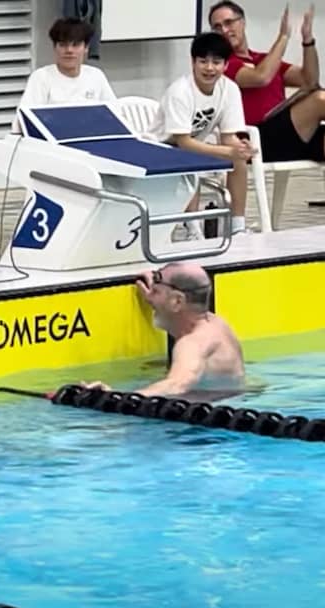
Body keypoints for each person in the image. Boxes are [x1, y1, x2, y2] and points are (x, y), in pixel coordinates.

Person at [81, 263, 245, 398]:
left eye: (156, 292)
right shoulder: (217, 324)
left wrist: (117, 398)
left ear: (177, 301)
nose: (150, 296)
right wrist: (158, 294)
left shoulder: (192, 344)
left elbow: (177, 384)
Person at [151, 32, 255, 241]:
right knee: (190, 162)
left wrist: (241, 148)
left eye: (216, 62)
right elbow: (183, 142)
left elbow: (228, 137)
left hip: (193, 146)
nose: (209, 68)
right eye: (203, 61)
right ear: (193, 62)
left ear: (226, 65)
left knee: (238, 161)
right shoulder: (180, 91)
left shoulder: (230, 89)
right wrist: (227, 150)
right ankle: (192, 229)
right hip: (160, 149)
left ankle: (237, 226)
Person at [210, 2, 323, 164]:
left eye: (228, 23)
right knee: (320, 99)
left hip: (290, 134)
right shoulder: (224, 64)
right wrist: (283, 36)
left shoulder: (263, 59)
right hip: (258, 139)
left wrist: (308, 40)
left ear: (242, 22)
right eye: (217, 27)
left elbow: (309, 80)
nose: (224, 31)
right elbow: (261, 77)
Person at [18, 17, 116, 110]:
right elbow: (23, 119)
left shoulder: (96, 75)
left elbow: (115, 113)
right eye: (63, 45)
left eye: (75, 45)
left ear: (86, 48)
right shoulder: (41, 77)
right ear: (55, 48)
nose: (69, 50)